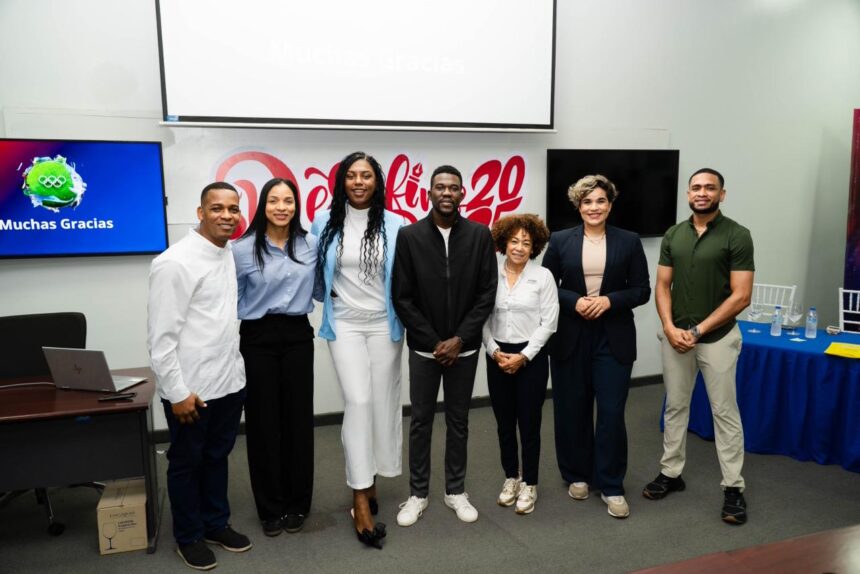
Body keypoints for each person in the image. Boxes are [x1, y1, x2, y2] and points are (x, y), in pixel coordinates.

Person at [148, 182, 252, 571]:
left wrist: (237, 378)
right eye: (217, 208)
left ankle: (215, 523)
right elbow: (160, 340)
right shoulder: (175, 262)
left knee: (216, 458)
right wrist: (177, 393)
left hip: (227, 382)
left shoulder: (225, 253)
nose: (226, 215)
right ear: (200, 212)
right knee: (187, 463)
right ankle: (189, 535)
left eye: (233, 209)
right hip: (190, 390)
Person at [643, 168, 754, 525]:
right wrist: (668, 327)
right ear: (688, 194)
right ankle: (671, 473)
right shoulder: (674, 234)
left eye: (709, 188)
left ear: (722, 194)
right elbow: (663, 286)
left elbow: (741, 296)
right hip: (676, 338)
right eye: (696, 188)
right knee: (675, 407)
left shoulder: (737, 235)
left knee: (725, 413)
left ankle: (733, 487)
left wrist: (699, 329)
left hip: (718, 339)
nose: (702, 193)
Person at [392, 165, 497, 526]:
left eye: (453, 187)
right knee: (420, 422)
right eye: (440, 187)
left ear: (462, 193)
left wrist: (459, 339)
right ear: (429, 194)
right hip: (425, 350)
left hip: (464, 350)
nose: (447, 193)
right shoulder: (409, 236)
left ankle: (455, 490)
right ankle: (417, 494)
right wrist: (435, 341)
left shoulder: (480, 235)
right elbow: (402, 297)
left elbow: (487, 293)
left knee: (458, 421)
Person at [310, 151, 405, 549]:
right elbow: (313, 273)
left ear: (377, 181)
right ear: (342, 182)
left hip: (385, 324)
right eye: (351, 175)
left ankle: (372, 477)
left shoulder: (396, 223)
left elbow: (405, 276)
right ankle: (359, 497)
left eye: (366, 175)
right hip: (345, 324)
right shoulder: (323, 222)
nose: (359, 182)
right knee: (359, 401)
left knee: (382, 404)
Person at [542, 175, 650, 519]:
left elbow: (642, 290)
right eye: (587, 201)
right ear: (578, 206)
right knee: (571, 408)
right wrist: (574, 301)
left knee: (611, 412)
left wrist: (609, 301)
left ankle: (611, 484)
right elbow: (545, 285)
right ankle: (576, 474)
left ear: (610, 205)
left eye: (600, 201)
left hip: (613, 336)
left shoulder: (629, 241)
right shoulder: (560, 240)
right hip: (570, 335)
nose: (594, 207)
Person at [232, 178, 319, 537]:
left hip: (298, 335)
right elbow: (232, 299)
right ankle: (270, 508)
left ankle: (298, 503)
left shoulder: (311, 244)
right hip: (257, 338)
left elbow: (320, 289)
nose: (281, 207)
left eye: (288, 201)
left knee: (298, 421)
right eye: (273, 200)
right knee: (263, 423)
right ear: (262, 205)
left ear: (296, 205)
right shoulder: (241, 249)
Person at [482, 214, 558, 515]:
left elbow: (549, 322)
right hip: (498, 356)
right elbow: (481, 317)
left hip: (532, 358)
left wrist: (524, 355)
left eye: (526, 243)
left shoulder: (543, 277)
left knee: (529, 423)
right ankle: (511, 477)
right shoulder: (490, 275)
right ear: (504, 243)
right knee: (504, 423)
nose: (519, 247)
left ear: (534, 246)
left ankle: (530, 483)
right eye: (514, 241)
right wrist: (493, 351)